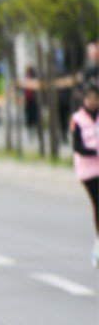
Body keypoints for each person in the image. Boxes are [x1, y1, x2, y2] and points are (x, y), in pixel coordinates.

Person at [68, 85, 99, 267]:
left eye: (96, 98)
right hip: (87, 170)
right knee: (97, 202)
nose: (93, 102)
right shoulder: (77, 119)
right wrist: (94, 151)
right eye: (89, 98)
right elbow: (76, 146)